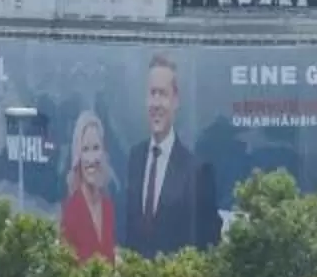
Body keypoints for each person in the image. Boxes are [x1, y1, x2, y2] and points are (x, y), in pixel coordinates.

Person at [121, 54, 217, 259]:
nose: (156, 103)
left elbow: (207, 244)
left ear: (175, 100)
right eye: (152, 93)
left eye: (162, 94)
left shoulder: (196, 171)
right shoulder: (135, 159)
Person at [58, 110, 116, 265]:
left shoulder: (108, 207)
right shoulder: (70, 210)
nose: (91, 159)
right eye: (85, 150)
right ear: (78, 157)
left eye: (96, 148)